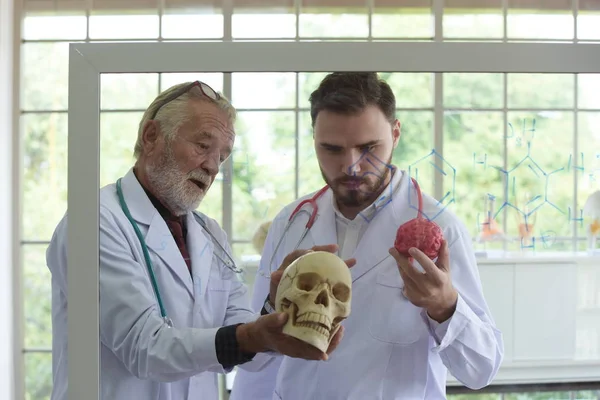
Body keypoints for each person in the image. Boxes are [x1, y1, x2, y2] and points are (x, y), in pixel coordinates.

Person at [45, 81, 351, 400]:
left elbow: (249, 355)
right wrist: (251, 336)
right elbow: (144, 349)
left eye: (222, 155)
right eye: (203, 146)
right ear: (151, 137)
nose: (212, 166)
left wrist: (276, 308)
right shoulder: (94, 223)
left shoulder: (209, 234)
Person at [230, 72, 504, 399]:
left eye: (368, 147)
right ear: (314, 139)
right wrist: (271, 310)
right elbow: (255, 364)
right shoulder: (291, 223)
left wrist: (445, 307)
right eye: (332, 149)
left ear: (396, 134)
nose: (352, 166)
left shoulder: (442, 228)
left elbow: (481, 369)